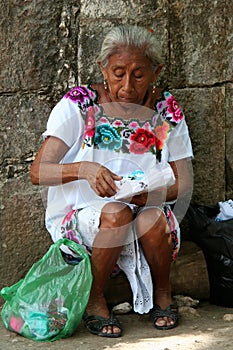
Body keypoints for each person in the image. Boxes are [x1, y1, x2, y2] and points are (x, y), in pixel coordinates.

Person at [30, 24, 193, 338]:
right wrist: (85, 170)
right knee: (115, 213)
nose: (128, 86)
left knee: (150, 216)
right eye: (118, 73)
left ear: (156, 71)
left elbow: (182, 183)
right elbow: (39, 171)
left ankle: (163, 293)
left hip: (144, 210)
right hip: (83, 215)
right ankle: (95, 299)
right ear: (103, 68)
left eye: (139, 74)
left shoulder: (166, 110)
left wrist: (148, 195)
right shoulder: (80, 104)